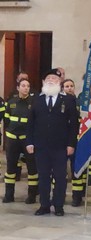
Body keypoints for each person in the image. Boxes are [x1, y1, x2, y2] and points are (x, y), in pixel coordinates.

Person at [26, 68, 78, 216]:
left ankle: (59, 205)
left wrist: (71, 144)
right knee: (43, 177)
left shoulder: (67, 100)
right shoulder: (37, 99)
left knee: (60, 177)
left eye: (54, 79)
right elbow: (31, 123)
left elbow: (74, 124)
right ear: (43, 82)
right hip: (41, 146)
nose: (51, 80)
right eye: (48, 78)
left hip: (60, 147)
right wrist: (29, 142)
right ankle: (44, 205)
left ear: (60, 82)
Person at [3, 79, 38, 204]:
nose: (26, 88)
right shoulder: (11, 102)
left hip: (27, 140)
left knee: (32, 169)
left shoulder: (33, 103)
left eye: (28, 86)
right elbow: (6, 121)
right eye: (23, 86)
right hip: (12, 140)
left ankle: (32, 195)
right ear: (18, 88)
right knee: (10, 168)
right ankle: (8, 195)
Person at [61, 78, 86, 207]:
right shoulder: (60, 102)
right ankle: (59, 194)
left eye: (71, 86)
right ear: (62, 89)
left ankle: (77, 197)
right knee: (60, 170)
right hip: (62, 140)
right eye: (66, 86)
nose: (69, 88)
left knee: (77, 170)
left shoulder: (81, 102)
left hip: (77, 140)